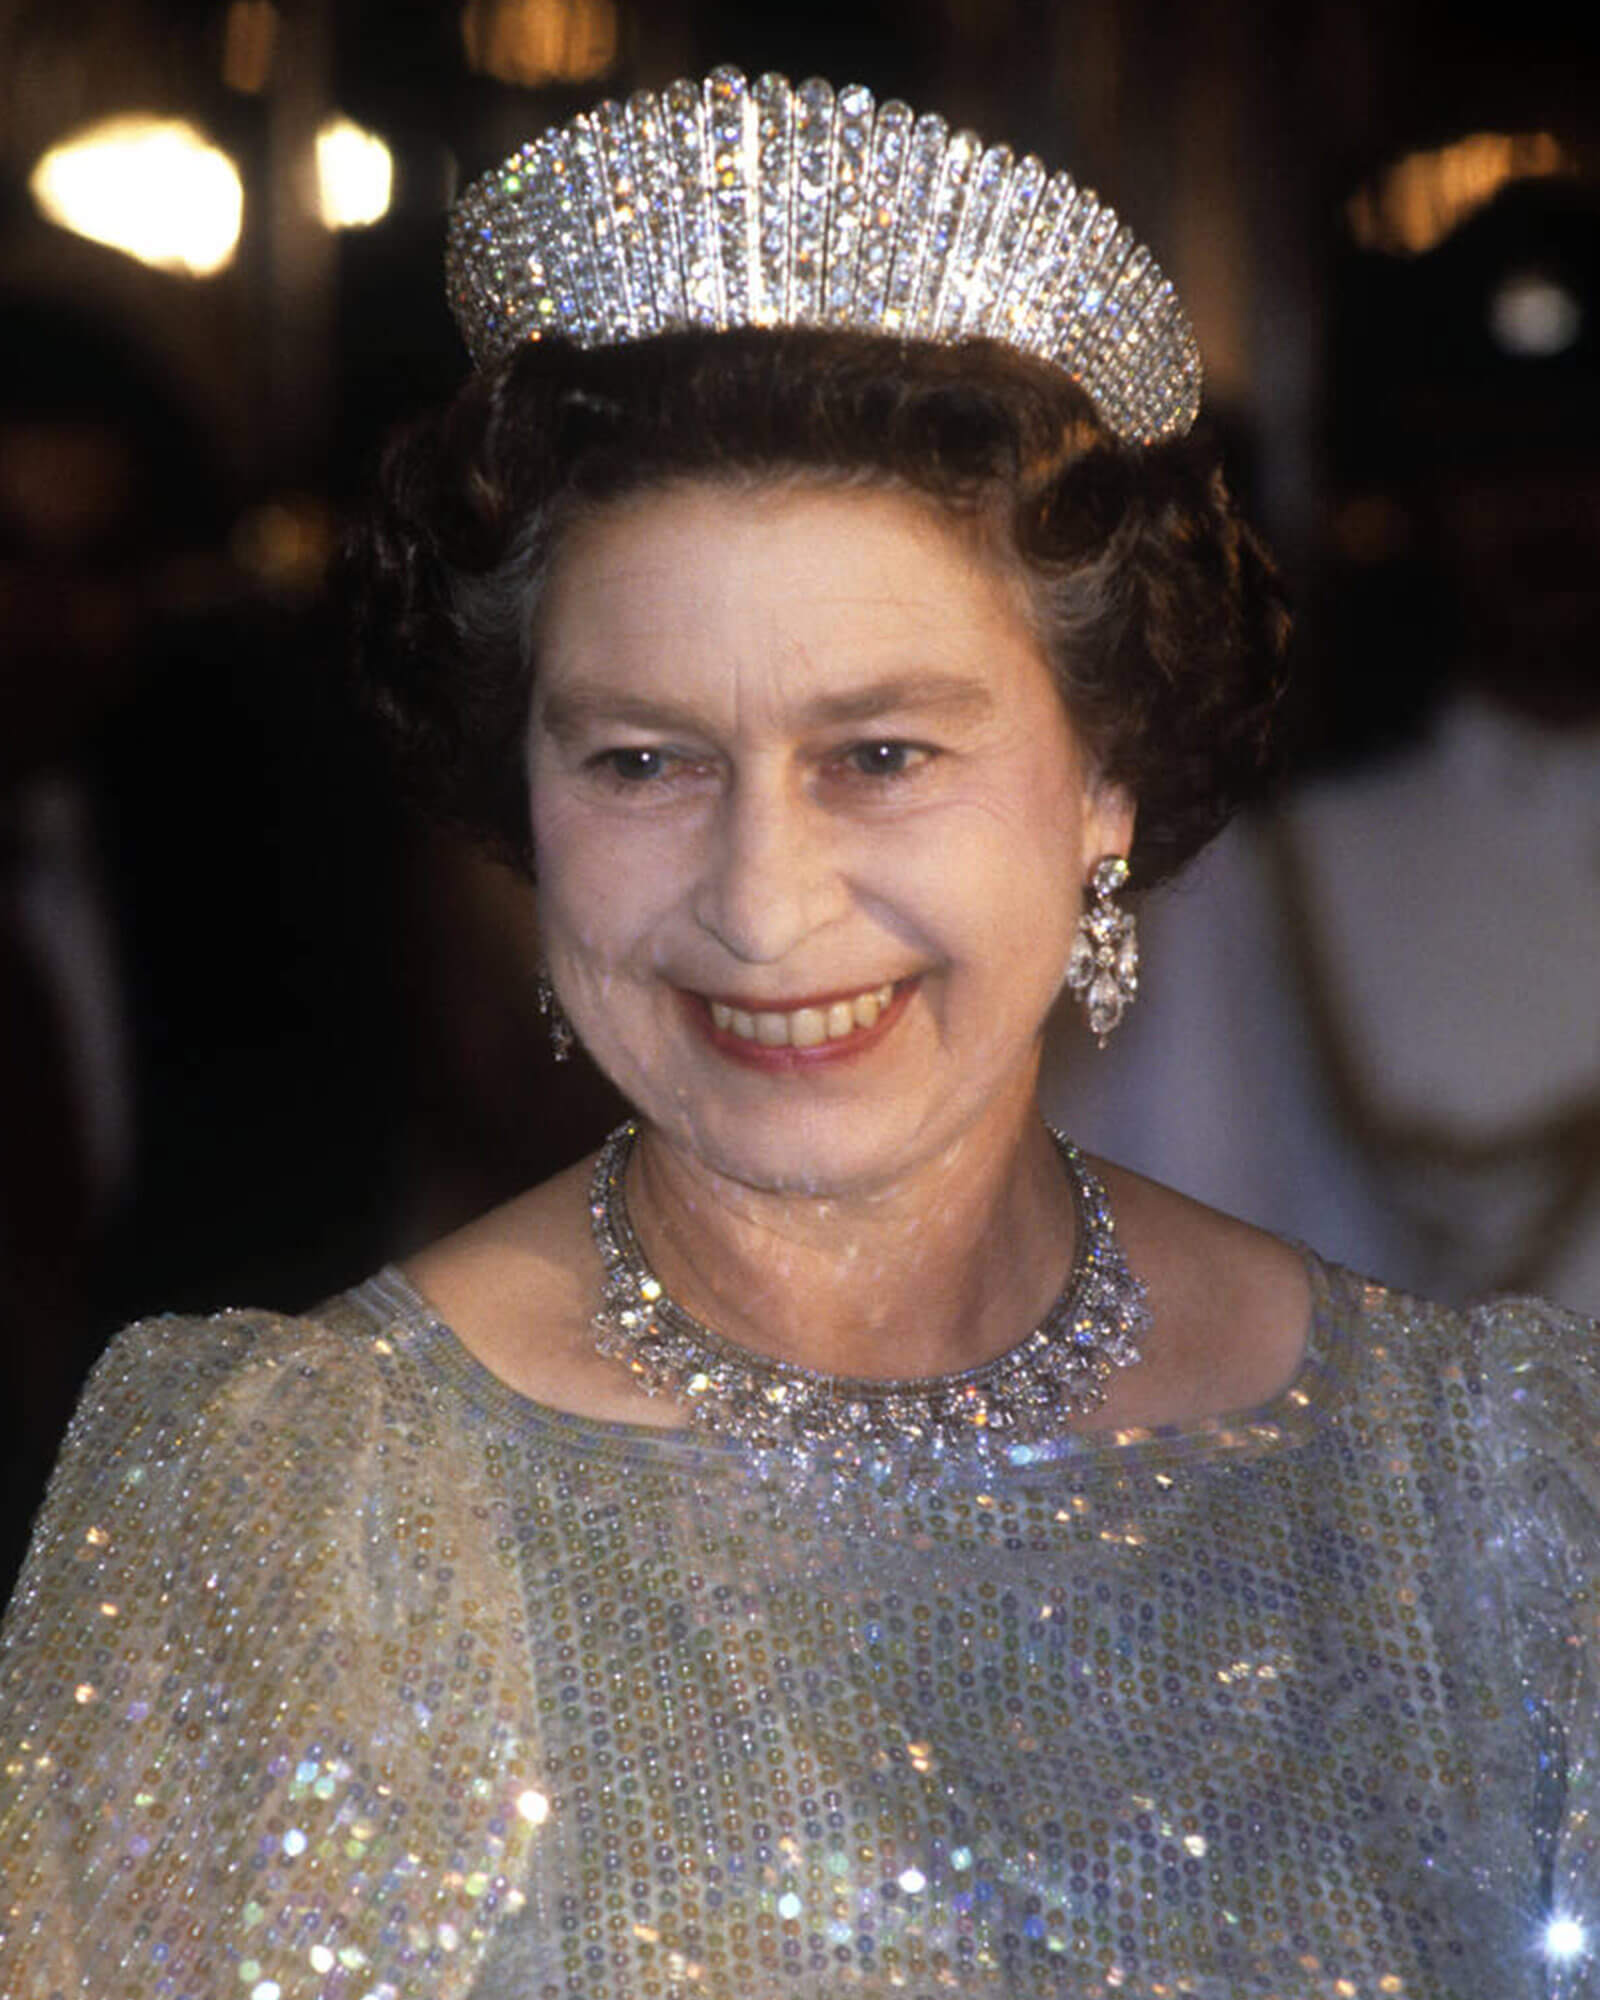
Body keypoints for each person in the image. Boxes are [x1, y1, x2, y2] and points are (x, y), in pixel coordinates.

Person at [1, 67, 1596, 2000]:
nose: (764, 904)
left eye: (883, 753)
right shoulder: (296, 1519)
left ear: (1106, 780)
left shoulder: (1474, 1487)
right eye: (647, 759)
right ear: (524, 798)